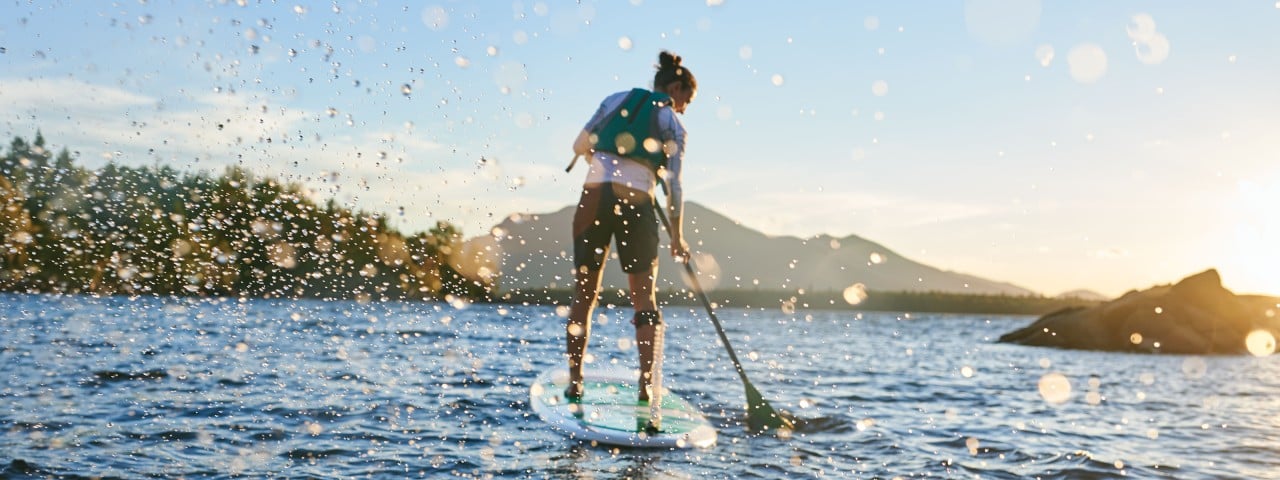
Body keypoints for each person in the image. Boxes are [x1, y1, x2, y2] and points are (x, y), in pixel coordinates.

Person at [564, 51, 698, 406]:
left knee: (585, 294)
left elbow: (579, 146)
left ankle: (575, 382)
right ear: (674, 88)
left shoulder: (615, 100)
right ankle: (645, 386)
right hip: (638, 203)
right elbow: (676, 185)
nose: (684, 107)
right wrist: (678, 236)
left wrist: (602, 160)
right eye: (687, 99)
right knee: (644, 299)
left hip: (594, 196)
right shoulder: (672, 123)